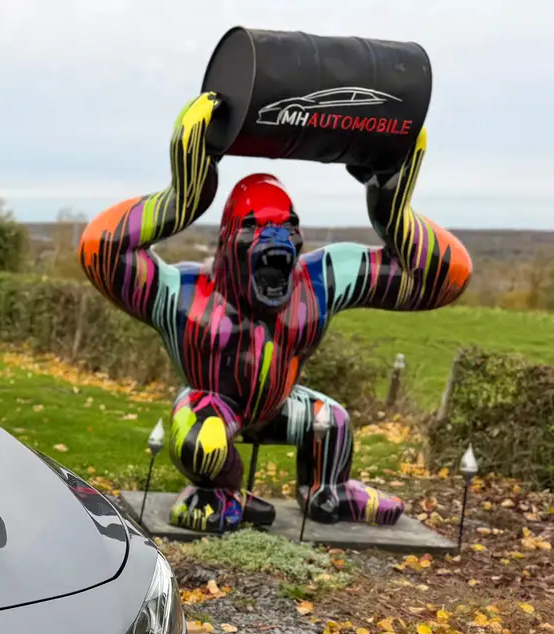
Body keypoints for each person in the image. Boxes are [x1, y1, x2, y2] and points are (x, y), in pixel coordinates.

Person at [80, 91, 471, 532]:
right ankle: (220, 491)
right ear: (227, 241)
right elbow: (102, 249)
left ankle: (328, 491)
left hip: (278, 408)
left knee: (332, 420)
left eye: (288, 225)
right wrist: (183, 196)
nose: (277, 239)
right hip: (214, 406)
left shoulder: (318, 282)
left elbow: (441, 278)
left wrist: (392, 207)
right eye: (254, 226)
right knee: (200, 440)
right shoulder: (186, 293)